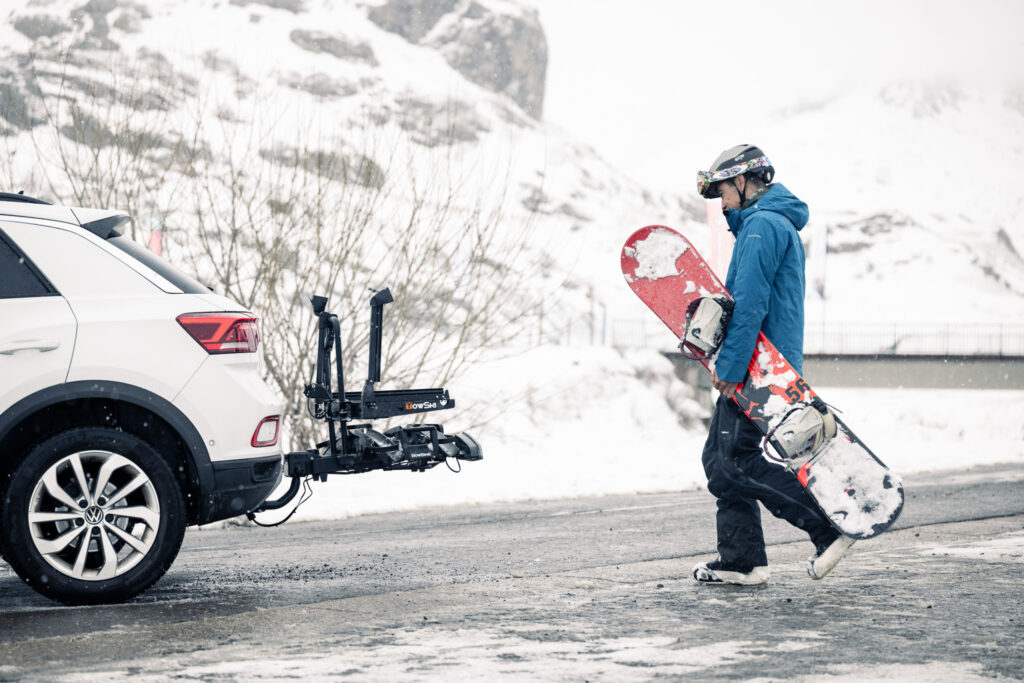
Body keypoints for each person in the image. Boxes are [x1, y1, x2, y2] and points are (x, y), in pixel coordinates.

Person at [691, 144, 854, 585]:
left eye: (723, 189)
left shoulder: (762, 226)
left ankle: (827, 529)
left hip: (760, 367)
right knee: (722, 459)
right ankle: (742, 560)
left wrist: (731, 366)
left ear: (744, 181)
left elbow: (749, 306)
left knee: (732, 461)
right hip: (766, 364)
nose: (721, 200)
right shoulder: (771, 224)